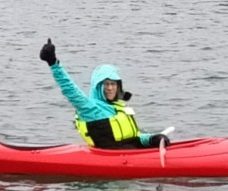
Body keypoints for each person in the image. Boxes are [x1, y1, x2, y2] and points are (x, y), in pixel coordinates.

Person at [40, 38, 170, 149]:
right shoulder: (90, 108)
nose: (110, 88)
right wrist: (54, 64)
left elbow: (134, 136)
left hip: (130, 151)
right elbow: (69, 89)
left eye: (113, 84)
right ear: (98, 87)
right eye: (106, 84)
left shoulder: (119, 108)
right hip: (113, 158)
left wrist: (152, 138)